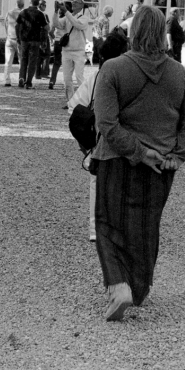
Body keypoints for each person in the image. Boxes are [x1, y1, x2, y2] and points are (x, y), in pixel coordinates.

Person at [91, 5, 185, 321]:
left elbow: (107, 124)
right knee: (145, 228)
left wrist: (139, 151)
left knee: (108, 224)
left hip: (117, 159)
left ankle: (119, 286)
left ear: (133, 30)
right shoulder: (179, 73)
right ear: (162, 34)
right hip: (161, 167)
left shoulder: (112, 69)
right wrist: (176, 155)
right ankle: (139, 289)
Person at [68, 31, 130, 242]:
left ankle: (96, 229)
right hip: (120, 136)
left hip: (99, 139)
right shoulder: (127, 77)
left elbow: (74, 108)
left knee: (99, 182)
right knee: (123, 182)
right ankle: (116, 227)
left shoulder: (96, 77)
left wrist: (85, 139)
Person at [60, 0, 92, 101]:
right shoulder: (68, 17)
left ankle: (85, 99)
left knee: (79, 77)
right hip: (66, 51)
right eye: (72, 2)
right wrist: (56, 12)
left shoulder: (84, 18)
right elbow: (57, 24)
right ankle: (70, 101)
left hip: (78, 51)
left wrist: (66, 12)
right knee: (67, 79)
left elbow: (77, 24)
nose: (73, 3)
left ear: (81, 6)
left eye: (76, 2)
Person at [16, 0, 48, 88]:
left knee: (23, 59)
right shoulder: (40, 14)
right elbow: (46, 28)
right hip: (35, 40)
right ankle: (28, 82)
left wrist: (18, 38)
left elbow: (17, 26)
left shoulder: (23, 12)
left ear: (30, 2)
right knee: (32, 61)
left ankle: (21, 78)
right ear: (38, 4)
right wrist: (44, 40)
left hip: (24, 39)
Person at [2, 0, 24, 87]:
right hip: (20, 40)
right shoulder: (23, 13)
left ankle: (7, 80)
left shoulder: (9, 12)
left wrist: (7, 34)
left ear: (16, 4)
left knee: (8, 61)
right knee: (22, 61)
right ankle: (21, 79)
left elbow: (5, 24)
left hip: (10, 38)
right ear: (22, 5)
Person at [47, 1, 68, 91]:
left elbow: (51, 31)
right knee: (66, 63)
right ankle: (66, 82)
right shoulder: (68, 19)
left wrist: (55, 37)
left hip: (57, 41)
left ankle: (52, 81)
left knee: (56, 63)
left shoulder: (56, 19)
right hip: (66, 42)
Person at [37, 1, 52, 80]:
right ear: (41, 5)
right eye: (44, 5)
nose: (45, 7)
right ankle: (44, 73)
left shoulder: (34, 13)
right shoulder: (44, 15)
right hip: (43, 36)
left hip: (35, 37)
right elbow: (47, 27)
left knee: (38, 56)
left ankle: (37, 74)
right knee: (46, 55)